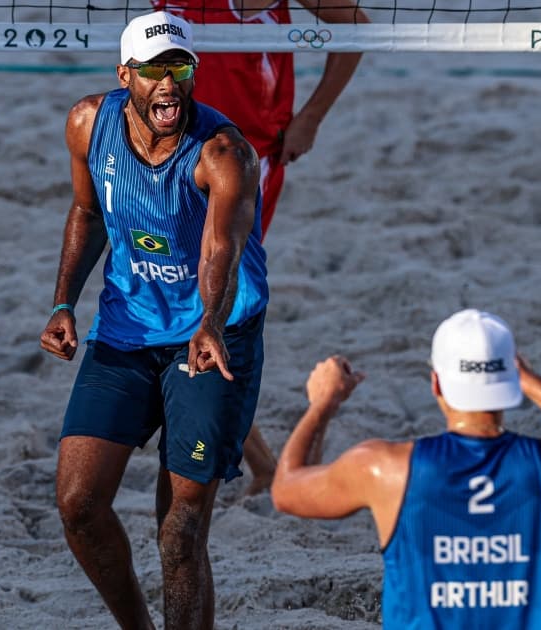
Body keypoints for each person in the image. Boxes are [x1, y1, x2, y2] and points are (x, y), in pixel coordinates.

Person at [38, 11, 268, 628]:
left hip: (212, 338)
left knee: (180, 530)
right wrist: (63, 302)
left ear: (193, 72)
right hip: (126, 332)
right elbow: (86, 213)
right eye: (153, 71)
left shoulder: (225, 153)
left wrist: (211, 321)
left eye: (179, 68)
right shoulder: (89, 123)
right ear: (125, 76)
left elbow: (222, 249)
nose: (168, 83)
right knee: (79, 505)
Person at [269, 309, 541, 628]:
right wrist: (529, 380)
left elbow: (286, 489)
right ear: (510, 380)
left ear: (436, 383)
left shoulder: (385, 468)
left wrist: (323, 403)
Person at [154, 0, 370, 495]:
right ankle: (262, 464)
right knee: (183, 307)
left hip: (245, 159)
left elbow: (356, 28)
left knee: (207, 304)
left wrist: (311, 116)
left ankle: (262, 464)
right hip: (171, 152)